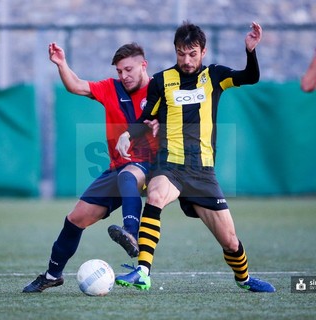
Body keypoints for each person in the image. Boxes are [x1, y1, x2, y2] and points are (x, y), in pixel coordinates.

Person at [114, 21, 276, 293]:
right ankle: (143, 271)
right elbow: (146, 118)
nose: (186, 60)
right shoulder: (162, 80)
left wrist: (250, 51)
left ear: (203, 51)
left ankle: (244, 279)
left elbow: (251, 76)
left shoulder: (215, 76)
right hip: (171, 166)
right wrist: (128, 134)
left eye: (192, 53)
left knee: (231, 242)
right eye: (180, 53)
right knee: (155, 196)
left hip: (202, 173)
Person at [22, 42, 158, 293]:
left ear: (143, 65)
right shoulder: (110, 88)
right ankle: (53, 275)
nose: (123, 76)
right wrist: (61, 63)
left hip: (152, 166)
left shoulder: (159, 89)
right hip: (118, 168)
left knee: (129, 177)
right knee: (75, 219)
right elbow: (75, 85)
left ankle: (131, 232)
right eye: (119, 71)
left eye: (128, 69)